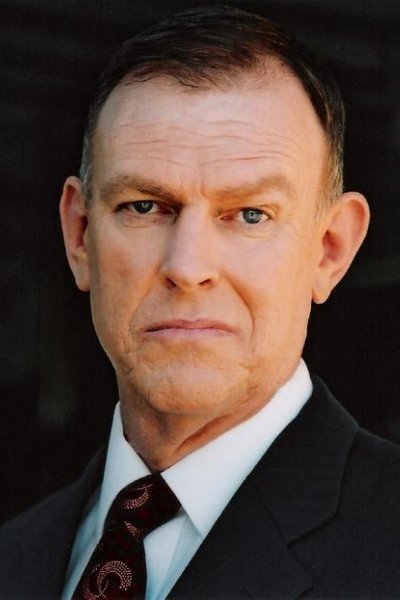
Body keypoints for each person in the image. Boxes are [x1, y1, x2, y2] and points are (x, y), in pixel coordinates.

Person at [1, 4, 400, 599]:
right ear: (79, 235)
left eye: (250, 214)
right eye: (144, 207)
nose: (187, 268)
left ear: (329, 250)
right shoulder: (14, 557)